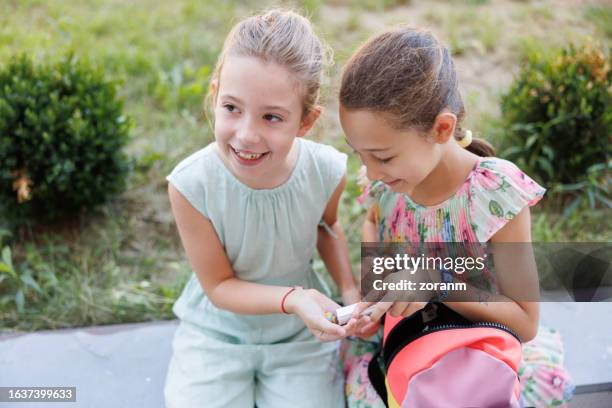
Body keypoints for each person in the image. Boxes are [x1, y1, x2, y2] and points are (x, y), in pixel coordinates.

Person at [339, 26, 574, 407]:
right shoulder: (388, 186)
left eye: (382, 157)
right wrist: (378, 289)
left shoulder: (494, 194)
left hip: (480, 361)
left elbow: (525, 321)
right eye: (359, 154)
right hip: (412, 358)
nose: (370, 172)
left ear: (442, 128)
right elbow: (373, 224)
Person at [163, 9, 362, 407]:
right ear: (216, 93)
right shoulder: (192, 184)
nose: (247, 135)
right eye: (232, 108)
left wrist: (348, 291)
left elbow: (328, 227)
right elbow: (219, 286)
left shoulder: (325, 170)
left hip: (297, 337)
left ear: (306, 121)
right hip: (217, 333)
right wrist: (294, 299)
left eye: (272, 117)